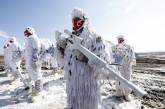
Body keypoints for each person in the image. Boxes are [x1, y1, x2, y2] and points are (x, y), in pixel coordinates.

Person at [56, 8, 112, 109]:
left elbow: (103, 64)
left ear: (84, 21)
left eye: (78, 22)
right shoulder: (71, 40)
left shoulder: (95, 38)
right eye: (74, 23)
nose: (75, 25)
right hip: (73, 84)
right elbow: (64, 62)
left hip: (88, 85)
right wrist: (61, 49)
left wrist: (86, 58)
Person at [112, 35, 136, 101]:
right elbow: (113, 56)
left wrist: (128, 59)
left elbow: (132, 56)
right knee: (118, 80)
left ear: (123, 39)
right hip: (119, 67)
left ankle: (127, 94)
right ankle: (119, 92)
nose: (120, 40)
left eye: (121, 39)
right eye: (119, 39)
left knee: (127, 80)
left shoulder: (129, 47)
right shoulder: (115, 47)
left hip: (126, 67)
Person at [24, 27, 43, 96]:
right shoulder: (29, 39)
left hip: (33, 59)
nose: (26, 34)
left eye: (27, 32)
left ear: (31, 32)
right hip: (30, 59)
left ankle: (39, 90)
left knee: (37, 74)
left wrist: (34, 59)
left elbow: (37, 49)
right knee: (33, 74)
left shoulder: (33, 38)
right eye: (25, 33)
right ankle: (36, 89)